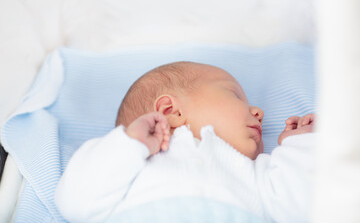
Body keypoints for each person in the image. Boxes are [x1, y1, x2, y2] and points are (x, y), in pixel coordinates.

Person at [55, 61, 315, 223]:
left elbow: (301, 205)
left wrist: (299, 146)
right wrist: (129, 144)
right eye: (236, 96)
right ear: (171, 111)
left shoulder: (255, 172)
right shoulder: (135, 163)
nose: (258, 112)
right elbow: (74, 203)